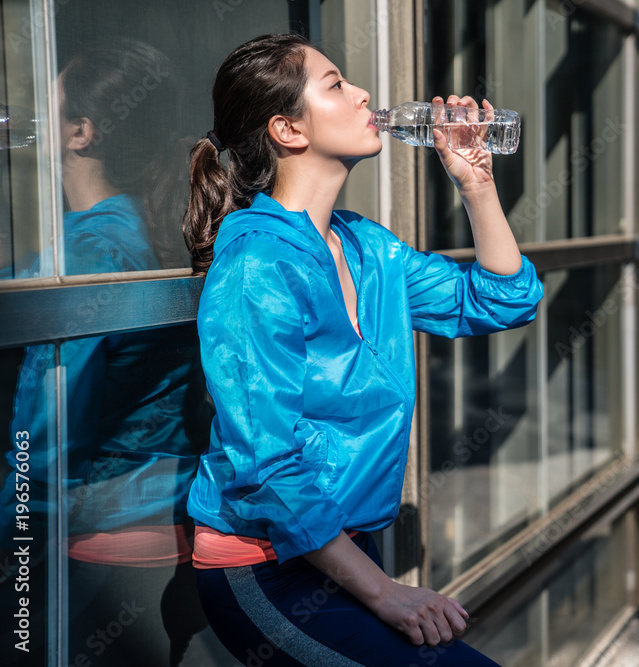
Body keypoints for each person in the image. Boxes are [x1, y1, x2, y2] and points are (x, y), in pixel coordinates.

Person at [183, 33, 543, 666]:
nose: (364, 94)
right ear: (288, 130)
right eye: (337, 85)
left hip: (343, 551)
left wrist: (476, 184)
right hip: (267, 568)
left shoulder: (366, 247)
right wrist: (387, 595)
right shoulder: (255, 265)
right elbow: (266, 463)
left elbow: (501, 300)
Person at [1, 40, 207, 667]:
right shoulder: (158, 227)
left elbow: (45, 439)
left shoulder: (88, 257)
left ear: (82, 131)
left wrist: (15, 542)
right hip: (168, 526)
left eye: (49, 107)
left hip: (97, 550)